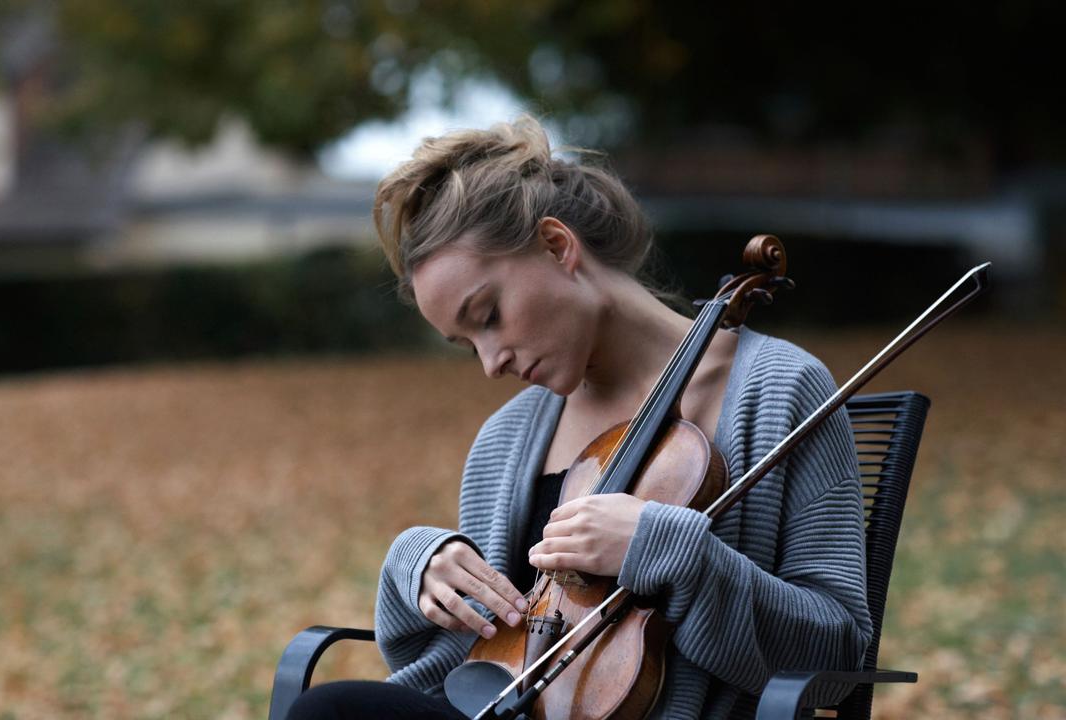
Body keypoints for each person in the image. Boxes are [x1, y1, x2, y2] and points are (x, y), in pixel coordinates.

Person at [287, 116, 871, 720]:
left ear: (557, 246)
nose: (491, 364)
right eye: (467, 344)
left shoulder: (777, 389)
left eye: (488, 315)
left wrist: (672, 552)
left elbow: (835, 654)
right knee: (327, 711)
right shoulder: (505, 440)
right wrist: (417, 567)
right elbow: (482, 666)